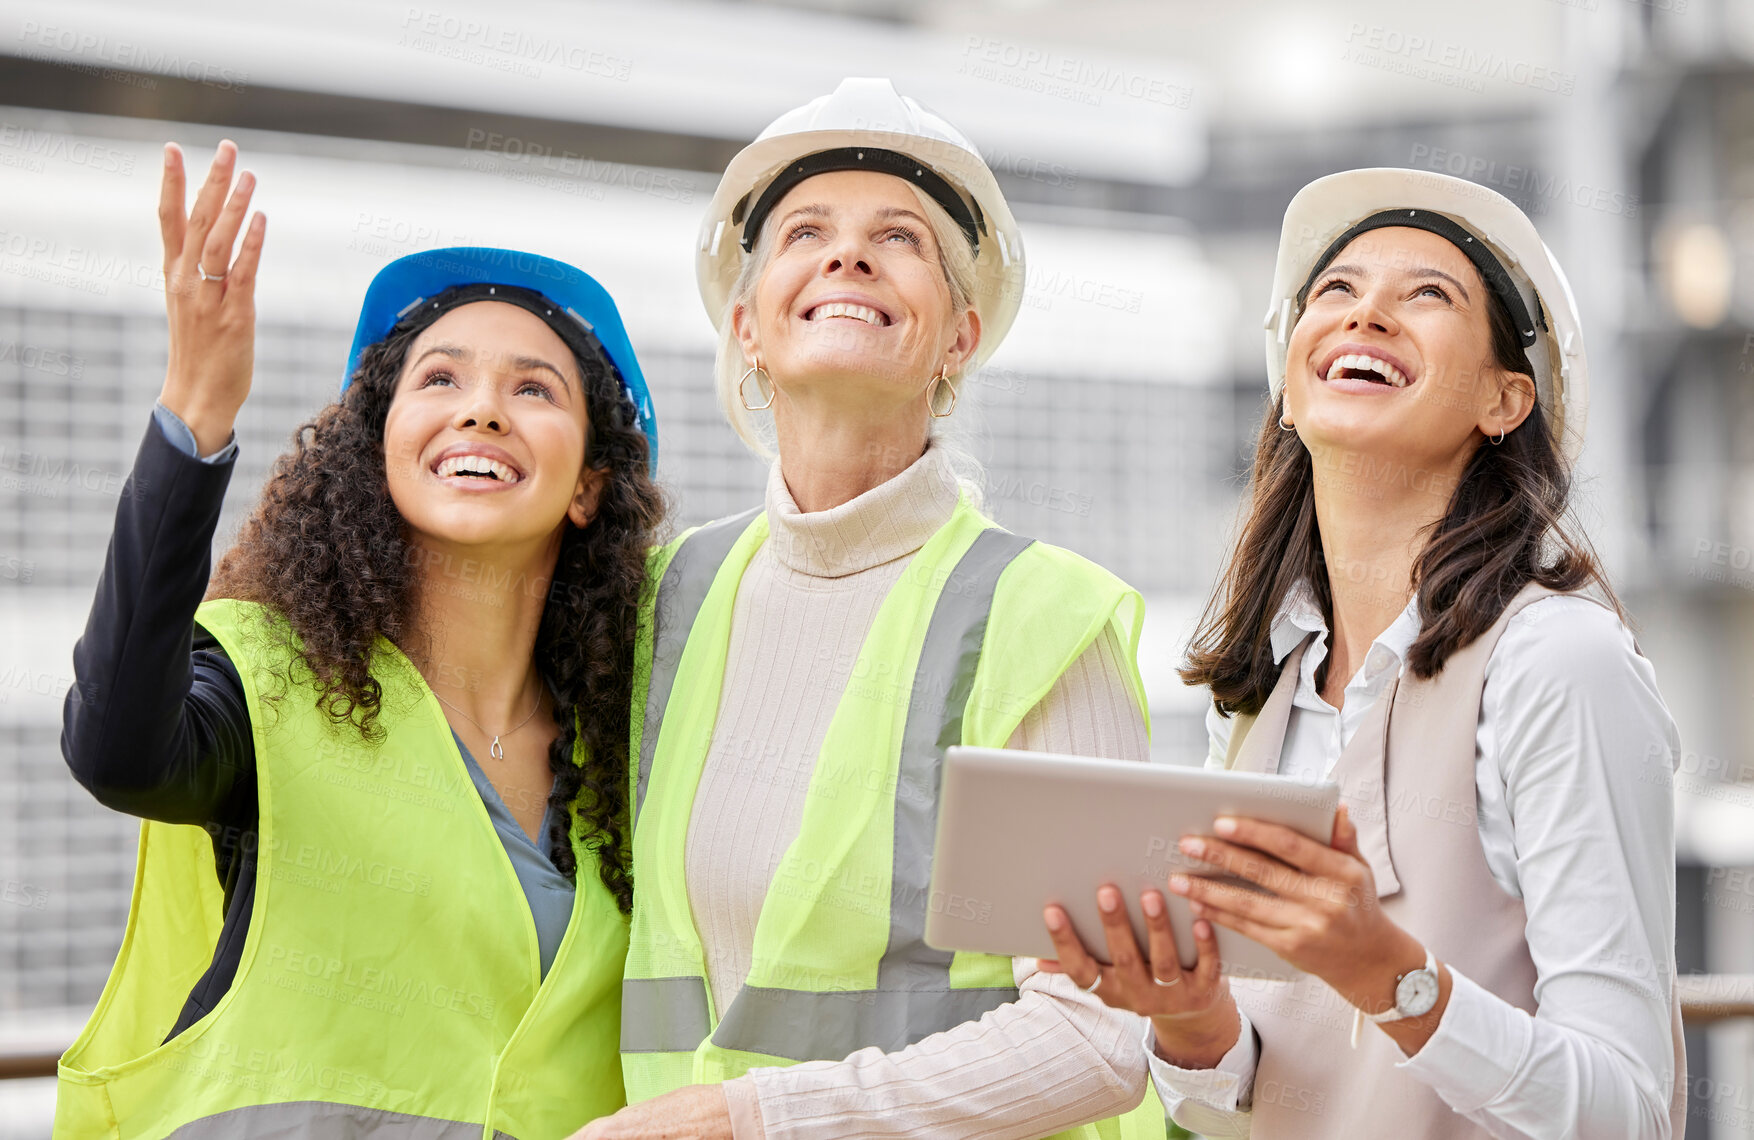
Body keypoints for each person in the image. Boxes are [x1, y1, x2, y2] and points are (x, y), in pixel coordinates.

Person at [1041, 168, 1689, 1138]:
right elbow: (1235, 1108)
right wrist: (1186, 1021)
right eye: (1334, 292)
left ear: (1503, 398)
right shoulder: (1261, 698)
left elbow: (1626, 1112)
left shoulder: (1558, 664)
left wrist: (1387, 977)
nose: (1365, 314)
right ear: (1290, 397)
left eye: (1425, 294)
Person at [581, 79, 1164, 1140]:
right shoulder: (667, 596)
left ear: (959, 338)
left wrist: (750, 1120)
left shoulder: (1042, 617)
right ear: (748, 328)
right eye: (806, 231)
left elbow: (1099, 1033)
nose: (847, 256)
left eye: (898, 239)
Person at [56, 140, 663, 1137]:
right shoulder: (268, 677)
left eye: (533, 389)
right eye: (439, 379)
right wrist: (196, 411)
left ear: (590, 485)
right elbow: (117, 749)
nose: (479, 408)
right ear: (376, 451)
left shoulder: (629, 749)